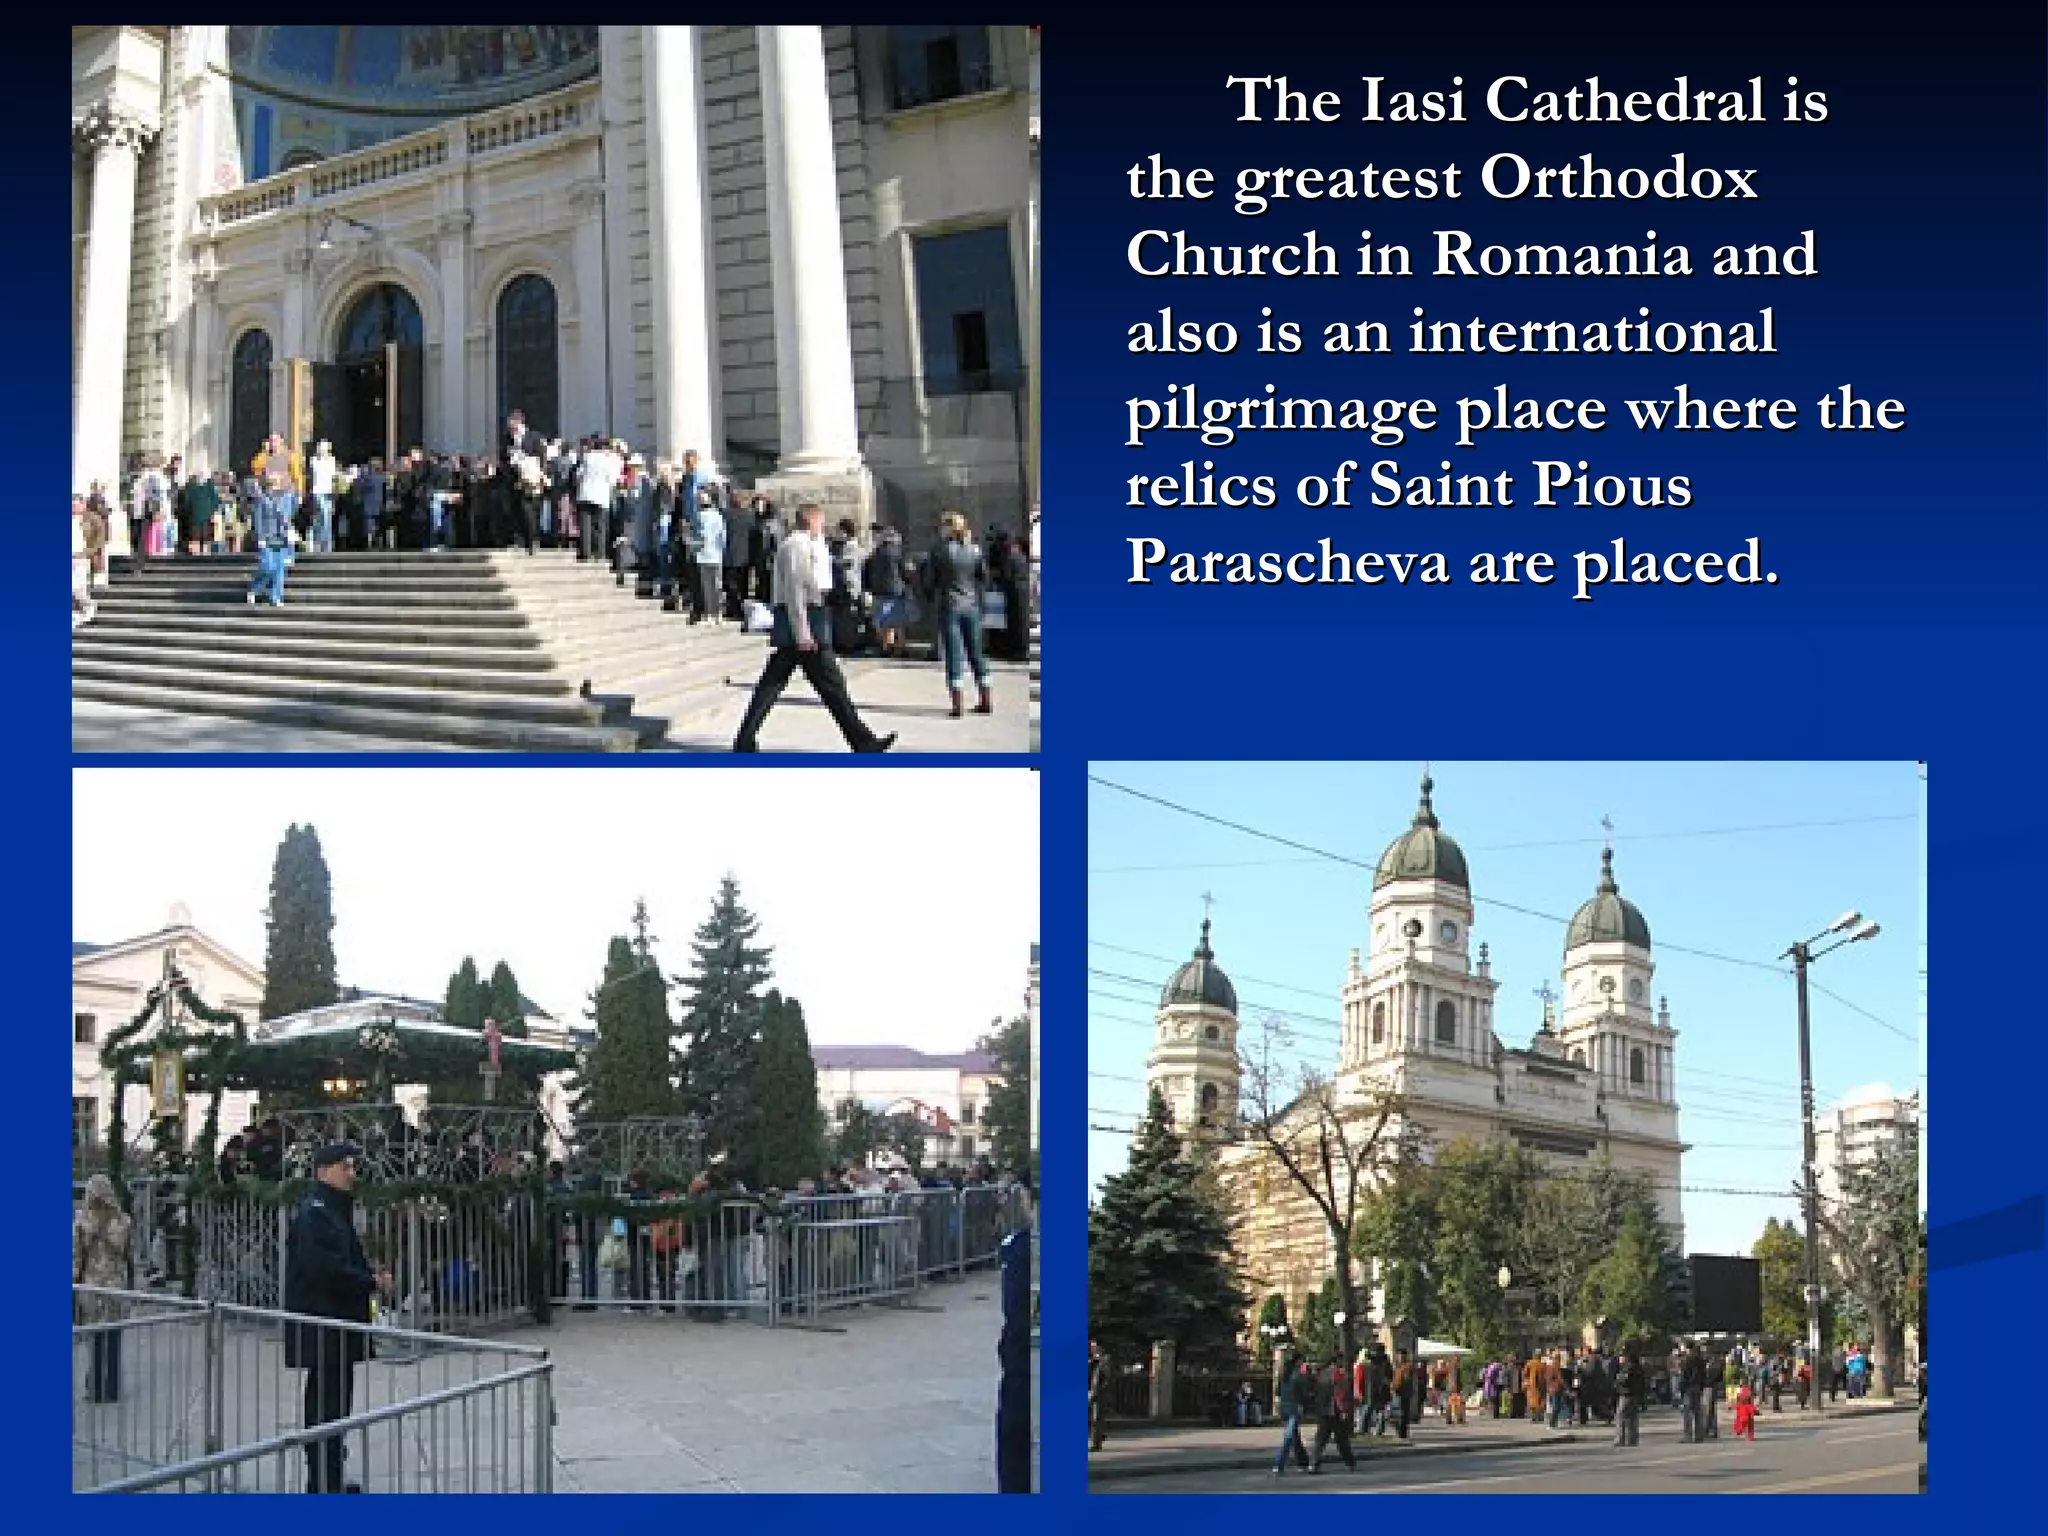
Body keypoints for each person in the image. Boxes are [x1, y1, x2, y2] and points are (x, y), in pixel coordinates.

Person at [731, 502, 897, 753]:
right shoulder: (797, 546)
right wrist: (803, 632)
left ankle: (745, 739)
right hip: (806, 622)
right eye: (820, 521)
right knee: (831, 687)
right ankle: (863, 741)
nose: (823, 526)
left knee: (775, 686)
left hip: (805, 622)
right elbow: (796, 591)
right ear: (811, 521)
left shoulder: (804, 544)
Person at [284, 1144, 391, 1493]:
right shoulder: (316, 1213)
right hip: (324, 1324)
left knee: (334, 1403)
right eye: (346, 1167)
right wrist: (370, 1282)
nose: (352, 1174)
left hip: (337, 1326)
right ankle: (321, 1483)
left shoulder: (332, 1211)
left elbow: (343, 1259)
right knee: (325, 1406)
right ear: (323, 1170)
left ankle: (329, 1478)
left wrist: (368, 1276)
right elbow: (326, 1269)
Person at [923, 511, 993, 717]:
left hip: (949, 605)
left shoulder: (939, 550)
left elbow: (930, 581)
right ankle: (986, 699)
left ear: (947, 527)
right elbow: (984, 577)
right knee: (977, 653)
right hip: (971, 605)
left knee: (954, 655)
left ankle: (958, 705)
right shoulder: (975, 549)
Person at [74, 1174, 133, 1403]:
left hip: (93, 1286)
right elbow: (128, 1251)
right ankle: (110, 1387)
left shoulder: (82, 1222)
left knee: (97, 1337)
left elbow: (76, 1257)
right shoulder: (123, 1221)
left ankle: (98, 1387)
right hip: (113, 1286)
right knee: (112, 1336)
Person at [246, 470, 296, 607]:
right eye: (273, 482)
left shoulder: (286, 497)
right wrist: (260, 537)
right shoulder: (262, 498)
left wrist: (290, 533)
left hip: (282, 537)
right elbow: (258, 519)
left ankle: (276, 597)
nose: (276, 484)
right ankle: (254, 589)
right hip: (267, 537)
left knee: (280, 570)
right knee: (267, 566)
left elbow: (288, 517)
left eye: (278, 481)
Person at [1311, 1356, 1358, 1470]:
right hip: (1335, 1410)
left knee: (1321, 1439)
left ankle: (1314, 1463)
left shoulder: (1321, 1374)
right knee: (1342, 1439)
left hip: (1323, 1410)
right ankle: (1350, 1462)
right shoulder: (1338, 1374)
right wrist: (1343, 1410)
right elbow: (1339, 1394)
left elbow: (1315, 1392)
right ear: (1336, 1362)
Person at [1271, 1355, 1312, 1475]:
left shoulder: (1283, 1377)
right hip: (1294, 1409)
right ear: (1298, 1362)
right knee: (1289, 1438)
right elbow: (1304, 1394)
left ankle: (1303, 1462)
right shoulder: (1298, 1376)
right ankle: (1279, 1464)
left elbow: (1278, 1392)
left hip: (1284, 1408)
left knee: (1295, 1437)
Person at [696, 486, 727, 625]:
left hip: (714, 554)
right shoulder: (698, 515)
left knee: (716, 586)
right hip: (703, 555)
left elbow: (722, 536)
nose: (701, 499)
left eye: (703, 496)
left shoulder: (717, 516)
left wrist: (721, 550)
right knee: (707, 586)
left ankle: (718, 612)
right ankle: (709, 613)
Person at [308, 440, 338, 552]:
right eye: (320, 448)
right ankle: (320, 541)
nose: (322, 450)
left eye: (324, 449)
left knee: (326, 517)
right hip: (317, 491)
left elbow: (334, 476)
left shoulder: (332, 460)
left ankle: (326, 543)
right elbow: (312, 476)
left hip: (328, 491)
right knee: (322, 514)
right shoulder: (314, 460)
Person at [1614, 1345, 1645, 1447]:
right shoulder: (1638, 1367)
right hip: (1635, 1394)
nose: (1620, 1358)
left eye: (1621, 1356)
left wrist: (1618, 1378)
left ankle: (1620, 1439)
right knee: (1633, 1417)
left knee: (1620, 1416)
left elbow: (1624, 1380)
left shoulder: (1628, 1367)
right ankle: (1632, 1439)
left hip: (1626, 1394)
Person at [1088, 1341, 1109, 1452]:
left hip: (1099, 1394)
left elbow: (1106, 1379)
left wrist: (1097, 1392)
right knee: (1094, 1418)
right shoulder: (1095, 1361)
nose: (1092, 1349)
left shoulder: (1105, 1361)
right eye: (1092, 1347)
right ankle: (1100, 1436)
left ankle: (1096, 1443)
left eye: (1094, 1347)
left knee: (1096, 1419)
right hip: (1093, 1392)